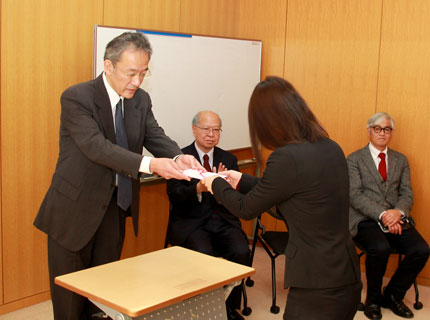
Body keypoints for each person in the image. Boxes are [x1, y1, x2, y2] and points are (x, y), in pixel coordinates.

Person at [34, 32, 202, 320]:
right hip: (73, 211)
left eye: (143, 73)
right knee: (69, 301)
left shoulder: (140, 100)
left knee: (104, 293)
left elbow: (154, 134)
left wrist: (177, 156)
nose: (137, 82)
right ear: (108, 66)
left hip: (114, 208)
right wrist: (152, 166)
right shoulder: (78, 97)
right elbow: (97, 148)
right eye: (131, 73)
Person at [201, 76, 361, 320]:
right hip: (345, 275)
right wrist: (240, 180)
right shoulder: (330, 147)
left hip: (316, 285)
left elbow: (246, 209)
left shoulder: (287, 157)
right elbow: (294, 194)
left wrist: (216, 184)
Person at [166, 110, 250, 320]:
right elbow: (174, 195)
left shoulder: (228, 158)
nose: (211, 134)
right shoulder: (180, 157)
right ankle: (203, 310)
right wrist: (198, 189)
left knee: (241, 250)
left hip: (222, 220)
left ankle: (230, 308)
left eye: (216, 130)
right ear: (194, 130)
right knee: (203, 253)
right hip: (192, 222)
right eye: (206, 129)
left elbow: (236, 198)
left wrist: (224, 186)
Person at [348, 112, 429, 320]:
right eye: (377, 128)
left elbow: (407, 193)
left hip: (396, 217)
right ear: (369, 131)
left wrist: (398, 213)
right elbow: (354, 195)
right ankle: (373, 301)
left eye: (386, 129)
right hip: (366, 219)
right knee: (380, 247)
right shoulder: (354, 159)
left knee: (421, 249)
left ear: (391, 133)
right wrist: (383, 214)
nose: (382, 133)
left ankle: (392, 296)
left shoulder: (401, 160)